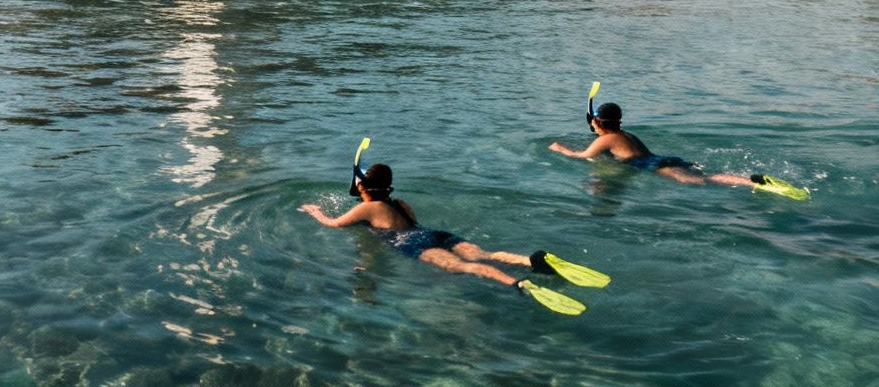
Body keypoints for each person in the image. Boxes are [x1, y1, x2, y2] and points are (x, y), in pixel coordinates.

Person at [299, 161, 601, 314]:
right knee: (483, 254)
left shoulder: (365, 209)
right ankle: (531, 261)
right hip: (432, 233)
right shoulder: (399, 203)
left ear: (362, 187)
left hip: (410, 244)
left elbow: (333, 224)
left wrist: (315, 211)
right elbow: (408, 223)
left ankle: (518, 283)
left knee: (463, 267)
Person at [549, 102, 807, 198]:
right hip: (660, 159)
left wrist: (559, 148)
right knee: (706, 175)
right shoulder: (626, 134)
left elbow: (582, 157)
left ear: (599, 123)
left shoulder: (605, 140)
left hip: (651, 166)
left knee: (701, 182)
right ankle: (749, 179)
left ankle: (752, 182)